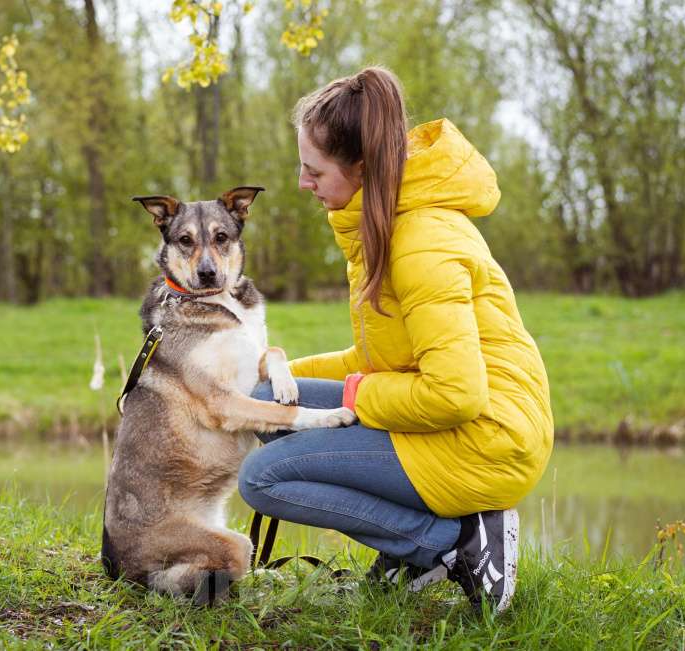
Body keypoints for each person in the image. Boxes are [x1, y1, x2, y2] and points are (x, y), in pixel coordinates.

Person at [237, 66, 553, 614]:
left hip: (487, 440)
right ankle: (424, 542)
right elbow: (378, 359)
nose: (301, 182)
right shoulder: (381, 224)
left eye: (314, 170)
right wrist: (264, 375)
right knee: (264, 407)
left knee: (263, 478)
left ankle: (451, 545)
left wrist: (358, 396)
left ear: (359, 169)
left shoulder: (420, 243)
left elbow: (456, 394)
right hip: (452, 422)